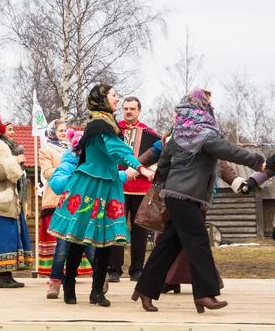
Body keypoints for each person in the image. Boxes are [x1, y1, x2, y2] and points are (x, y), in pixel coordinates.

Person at [132, 89, 265, 313]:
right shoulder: (204, 135)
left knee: (168, 245)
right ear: (201, 107)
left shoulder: (180, 134)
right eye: (208, 105)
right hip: (184, 199)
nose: (211, 108)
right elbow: (229, 150)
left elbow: (164, 162)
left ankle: (145, 289)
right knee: (199, 242)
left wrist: (165, 182)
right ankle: (204, 294)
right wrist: (257, 161)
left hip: (176, 196)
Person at [48, 84, 154, 307]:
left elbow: (115, 151)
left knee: (105, 239)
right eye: (114, 95)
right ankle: (69, 282)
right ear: (102, 99)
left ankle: (97, 291)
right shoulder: (98, 123)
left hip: (108, 184)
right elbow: (118, 150)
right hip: (89, 183)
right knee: (78, 236)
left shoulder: (107, 122)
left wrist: (133, 171)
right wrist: (142, 168)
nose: (117, 98)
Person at [137, 134, 247, 293]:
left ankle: (201, 285)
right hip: (170, 196)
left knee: (192, 241)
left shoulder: (205, 138)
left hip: (195, 197)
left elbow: (221, 164)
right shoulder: (169, 140)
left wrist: (235, 180)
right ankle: (168, 282)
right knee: (166, 239)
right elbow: (151, 155)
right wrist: (133, 167)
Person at [47, 127, 136, 299]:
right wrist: (79, 177)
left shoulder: (103, 162)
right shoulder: (70, 163)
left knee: (95, 249)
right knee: (66, 249)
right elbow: (56, 183)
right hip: (75, 214)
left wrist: (125, 174)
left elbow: (109, 175)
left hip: (96, 211)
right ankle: (60, 282)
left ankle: (98, 285)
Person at [38, 120, 93, 296]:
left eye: (64, 130)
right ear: (52, 132)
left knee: (88, 243)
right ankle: (55, 280)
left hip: (80, 200)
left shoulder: (76, 149)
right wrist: (67, 170)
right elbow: (47, 173)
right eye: (59, 130)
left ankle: (99, 277)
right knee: (61, 245)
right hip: (57, 199)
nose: (62, 133)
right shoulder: (47, 150)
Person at [108, 96, 159, 283]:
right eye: (125, 108)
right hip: (118, 185)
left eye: (132, 109)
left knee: (140, 230)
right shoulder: (114, 130)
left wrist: (143, 172)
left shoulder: (150, 132)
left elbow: (157, 159)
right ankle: (114, 269)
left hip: (141, 188)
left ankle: (137, 269)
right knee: (116, 227)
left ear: (139, 111)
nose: (128, 112)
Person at [0, 114, 33, 288]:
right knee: (3, 238)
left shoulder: (10, 149)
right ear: (2, 130)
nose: (13, 132)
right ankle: (1, 277)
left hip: (11, 202)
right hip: (0, 202)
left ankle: (7, 275)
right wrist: (14, 162)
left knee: (12, 237)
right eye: (10, 129)